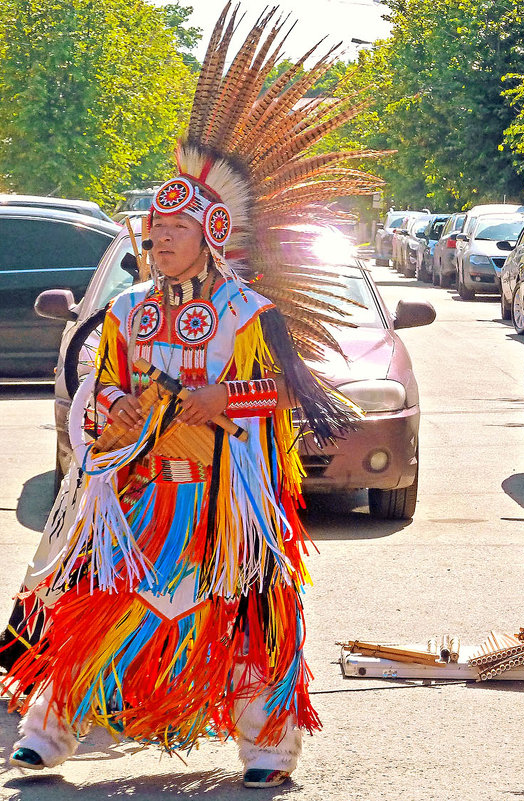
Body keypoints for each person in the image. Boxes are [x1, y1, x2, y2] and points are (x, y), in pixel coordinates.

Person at [2, 6, 381, 789]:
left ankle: (268, 745)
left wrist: (222, 399)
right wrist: (114, 415)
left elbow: (287, 396)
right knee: (105, 603)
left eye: (172, 227)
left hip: (228, 503)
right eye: (151, 229)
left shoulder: (247, 313)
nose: (158, 239)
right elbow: (99, 390)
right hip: (144, 495)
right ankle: (51, 728)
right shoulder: (130, 310)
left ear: (210, 232)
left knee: (249, 620)